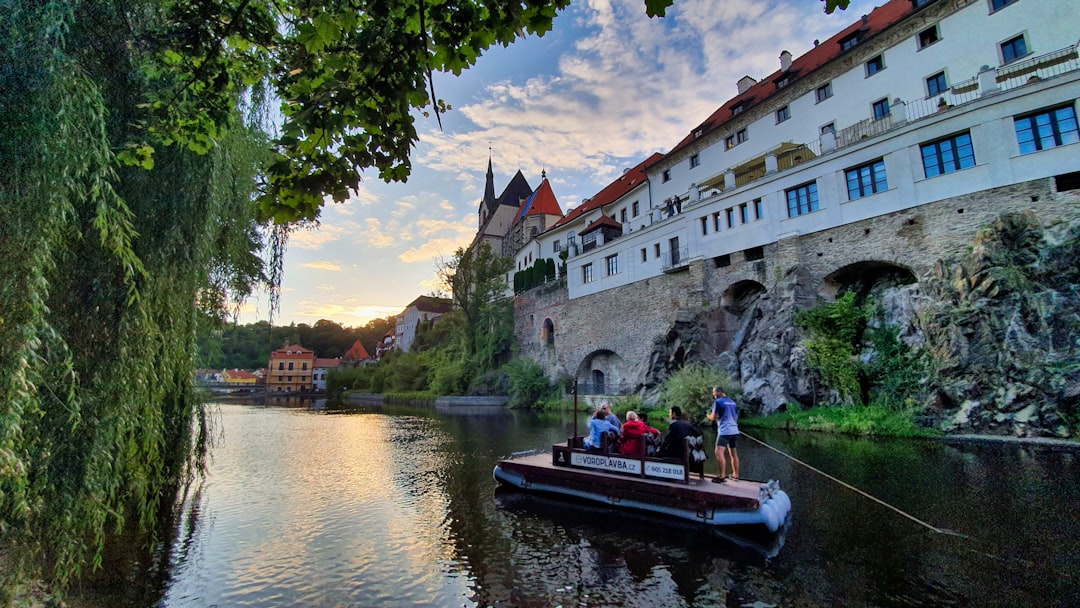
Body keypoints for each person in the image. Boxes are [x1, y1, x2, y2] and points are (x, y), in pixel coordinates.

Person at [707, 386, 740, 482]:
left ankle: (721, 476)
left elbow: (714, 417)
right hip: (734, 430)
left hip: (725, 431)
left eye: (714, 393)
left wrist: (708, 416)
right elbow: (735, 416)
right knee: (733, 453)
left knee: (718, 452)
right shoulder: (732, 402)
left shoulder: (718, 402)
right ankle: (735, 475)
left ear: (719, 392)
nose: (713, 395)